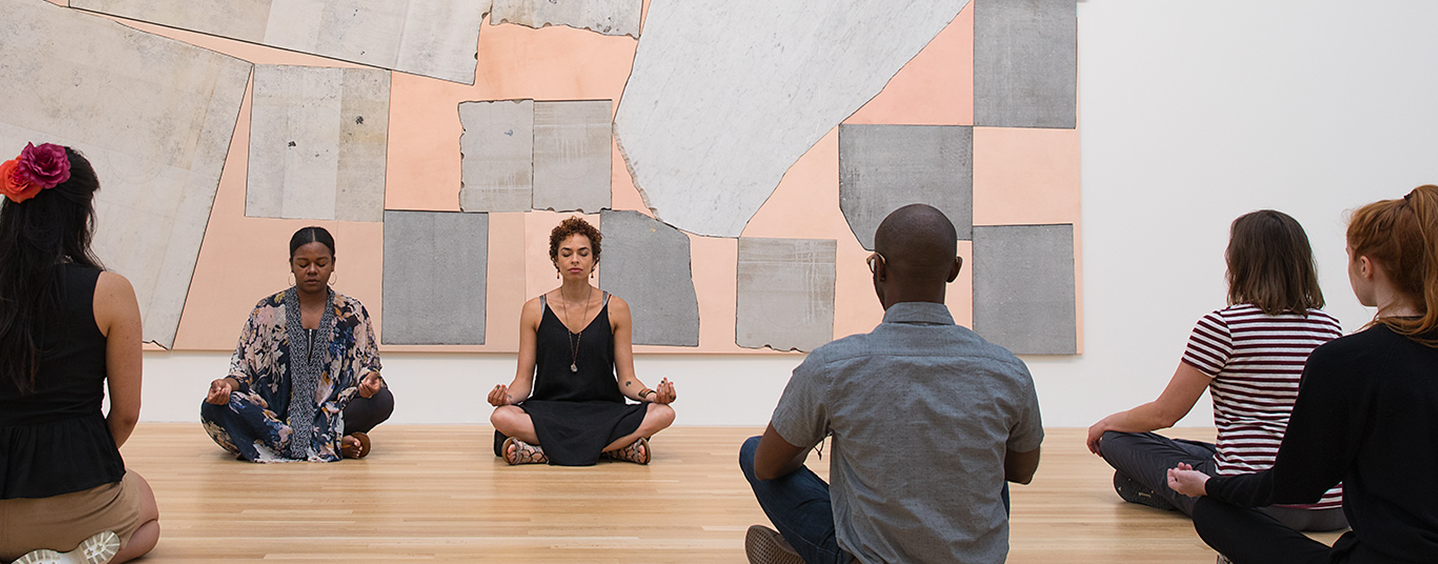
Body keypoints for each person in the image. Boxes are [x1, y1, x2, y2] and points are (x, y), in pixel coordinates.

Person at [1166, 186, 1438, 564]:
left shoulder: (1347, 360)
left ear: (1366, 266)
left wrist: (1211, 486)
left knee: (1214, 512)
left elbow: (1296, 485)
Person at [740, 203, 1042, 564]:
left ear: (879, 268)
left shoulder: (832, 366)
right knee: (990, 469)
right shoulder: (1008, 370)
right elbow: (1021, 471)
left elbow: (767, 467)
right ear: (954, 270)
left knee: (754, 450)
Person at [0, 143, 159, 564]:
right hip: (73, 510)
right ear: (81, 214)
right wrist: (80, 459)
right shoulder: (110, 291)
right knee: (148, 514)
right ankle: (72, 559)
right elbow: (126, 414)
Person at [1086, 210, 1345, 531]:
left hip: (1255, 504)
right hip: (1333, 507)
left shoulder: (1223, 327)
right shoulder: (1328, 328)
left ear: (1239, 261)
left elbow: (1164, 415)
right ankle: (1169, 486)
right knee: (1190, 448)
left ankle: (1171, 492)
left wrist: (1106, 423)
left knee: (1117, 439)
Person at [487, 216, 677, 466]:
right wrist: (506, 398)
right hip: (550, 410)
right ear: (556, 260)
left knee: (664, 413)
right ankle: (615, 449)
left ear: (594, 260)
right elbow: (523, 382)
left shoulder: (616, 308)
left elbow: (627, 380)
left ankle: (541, 451)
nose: (574, 259)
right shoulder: (534, 309)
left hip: (603, 411)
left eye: (583, 253)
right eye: (566, 253)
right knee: (502, 417)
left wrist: (653, 396)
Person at [201, 226, 392, 462]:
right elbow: (242, 370)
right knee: (213, 408)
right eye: (303, 264)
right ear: (291, 264)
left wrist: (369, 381)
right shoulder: (267, 310)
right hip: (272, 414)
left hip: (329, 412)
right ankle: (329, 444)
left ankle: (293, 442)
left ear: (333, 263)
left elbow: (368, 366)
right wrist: (225, 386)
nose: (312, 270)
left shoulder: (352, 312)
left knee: (382, 400)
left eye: (320, 263)